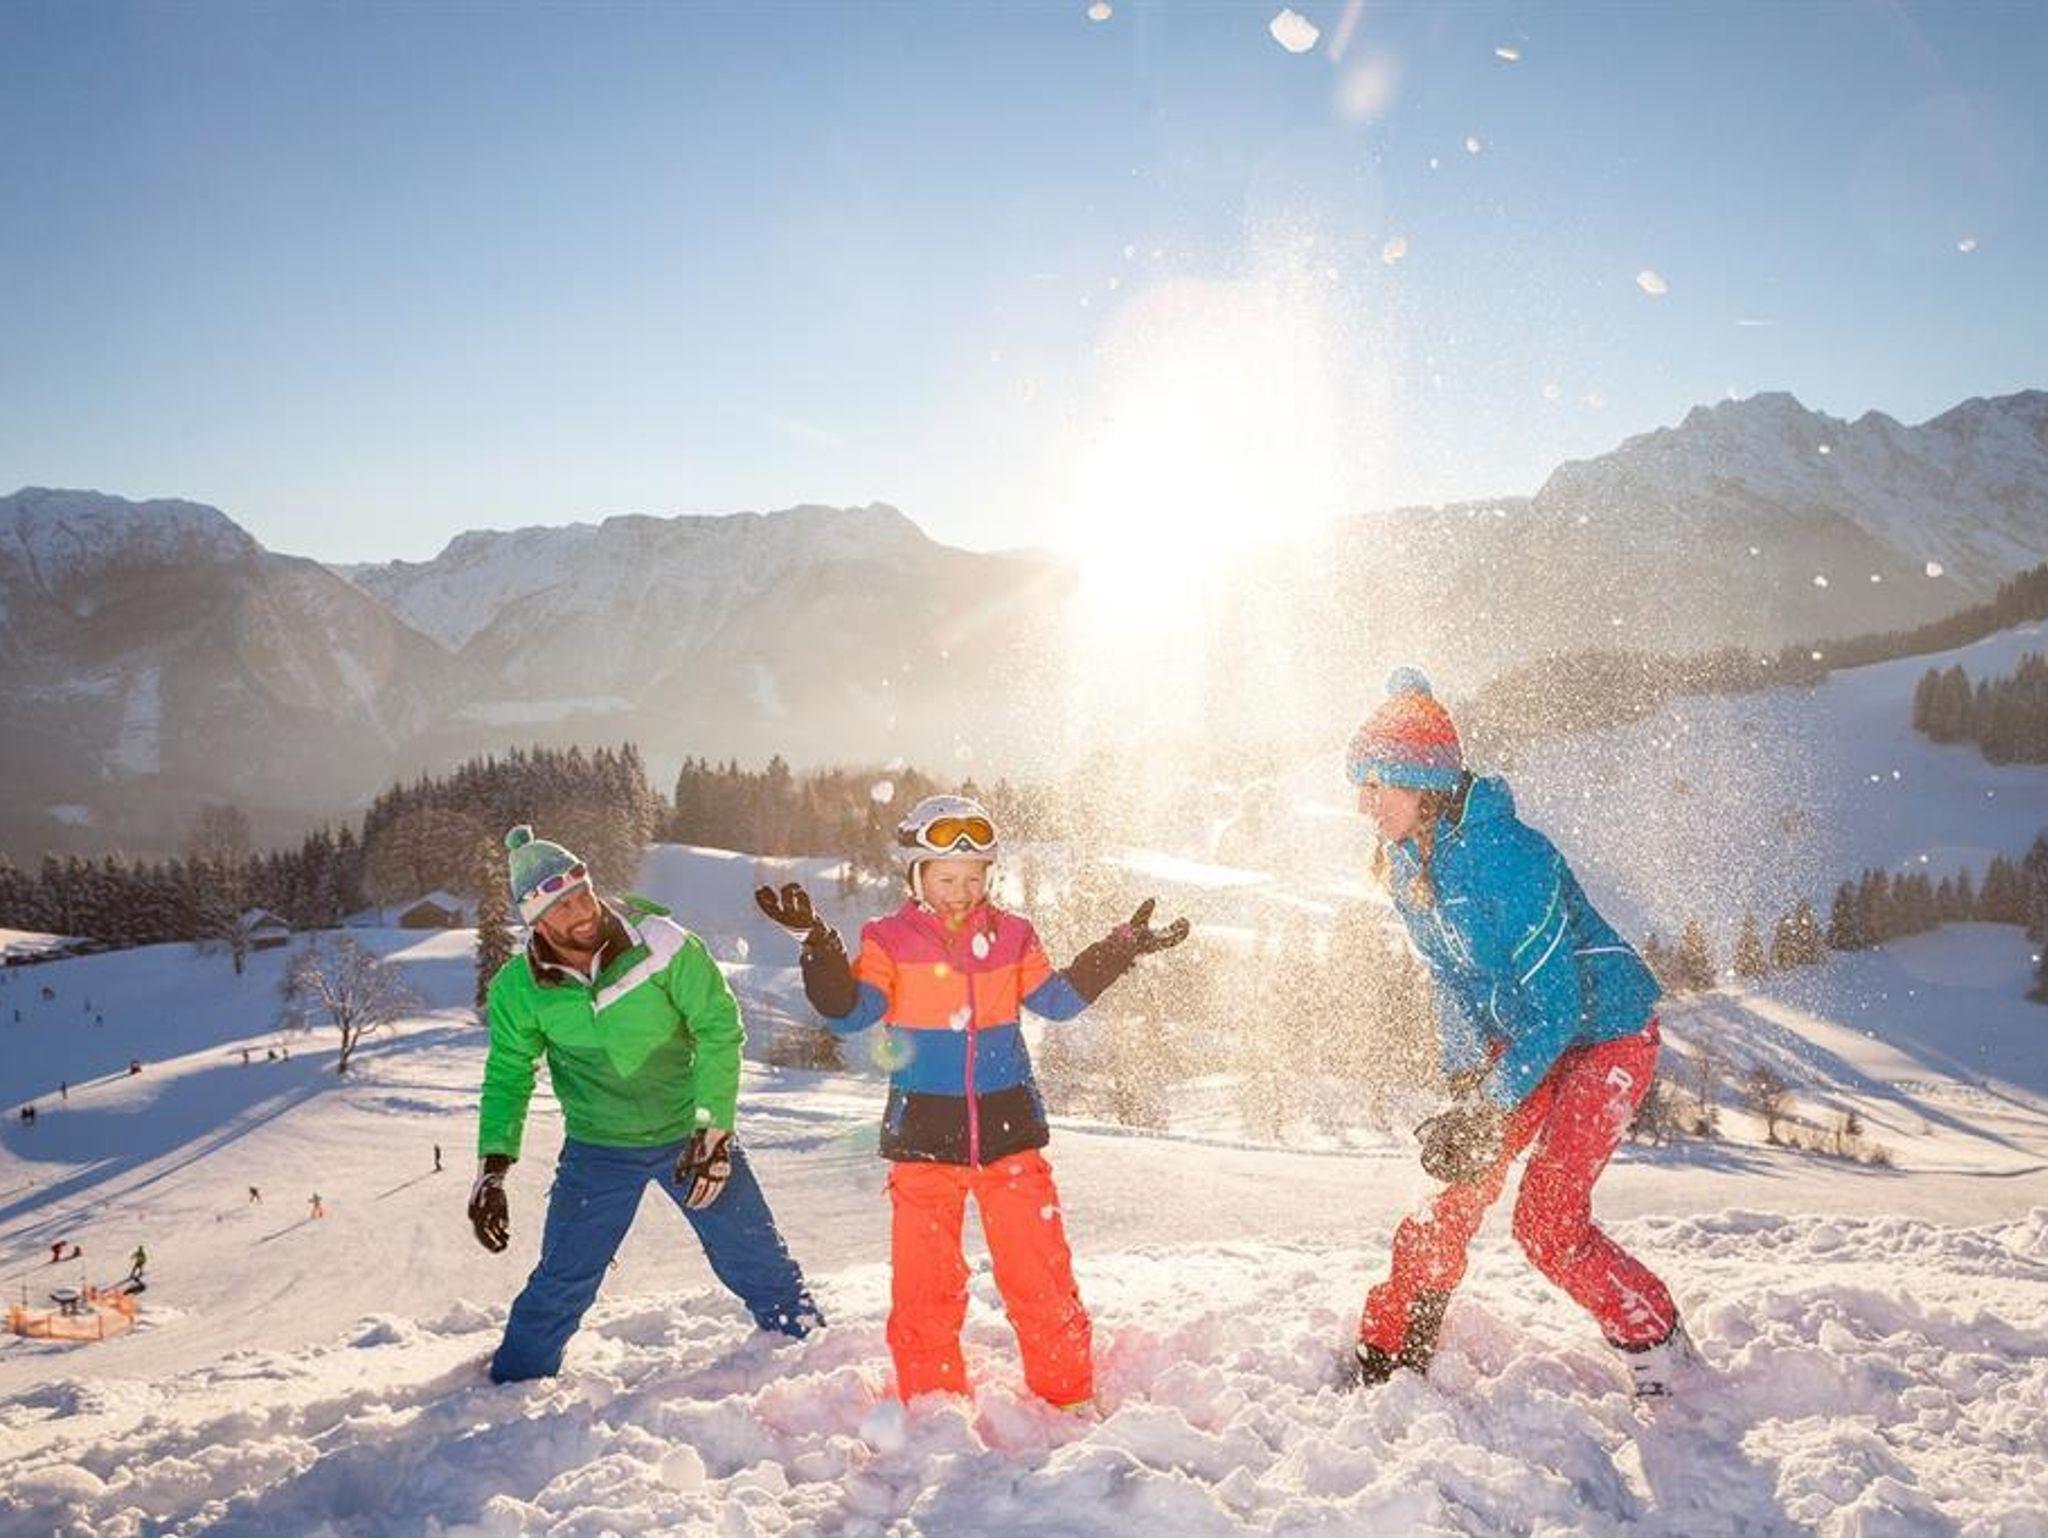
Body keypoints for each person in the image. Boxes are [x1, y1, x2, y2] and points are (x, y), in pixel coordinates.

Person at [759, 793, 1188, 1410]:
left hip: (1010, 1136)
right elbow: (850, 1014)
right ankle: (933, 1407)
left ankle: (1065, 1396)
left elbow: (1058, 1001)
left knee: (1039, 1276)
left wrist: (1118, 949)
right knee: (925, 1288)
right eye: (945, 879)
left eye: (973, 878)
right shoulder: (888, 939)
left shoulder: (1013, 935)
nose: (960, 892)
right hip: (922, 1142)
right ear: (916, 876)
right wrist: (819, 945)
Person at [1344, 669, 1694, 1398]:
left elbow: (1558, 1010)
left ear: (1423, 787)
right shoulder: (1407, 862)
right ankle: (1395, 1345)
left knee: (1547, 1221)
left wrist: (1490, 1104)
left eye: (1375, 786)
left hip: (1605, 1034)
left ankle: (1659, 1348)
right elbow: (1448, 976)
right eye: (1360, 786)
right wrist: (1466, 1084)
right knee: (1455, 1189)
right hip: (1526, 1036)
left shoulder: (1510, 858)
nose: (1363, 804)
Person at [472, 825, 822, 1384]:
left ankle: (816, 1362)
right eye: (560, 906)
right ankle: (511, 1387)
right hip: (598, 1149)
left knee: (756, 1258)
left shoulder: (661, 943)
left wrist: (713, 1132)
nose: (581, 911)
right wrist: (493, 1168)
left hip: (691, 1134)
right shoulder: (519, 989)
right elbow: (509, 1075)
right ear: (535, 922)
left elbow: (718, 1029)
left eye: (583, 893)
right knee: (563, 1281)